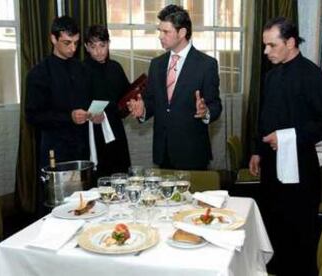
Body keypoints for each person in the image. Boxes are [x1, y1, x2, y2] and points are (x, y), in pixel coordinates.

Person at [248, 17, 322, 276]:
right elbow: (265, 118)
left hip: (301, 169)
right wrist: (256, 150)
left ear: (291, 42)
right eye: (265, 46)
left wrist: (287, 137)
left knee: (298, 233)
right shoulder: (272, 76)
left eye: (272, 46)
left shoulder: (313, 76)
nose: (266, 52)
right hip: (272, 166)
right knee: (273, 223)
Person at [127, 4, 222, 170]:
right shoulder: (156, 64)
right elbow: (152, 101)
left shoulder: (206, 65)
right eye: (159, 31)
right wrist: (143, 111)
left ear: (182, 33)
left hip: (192, 153)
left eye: (166, 32)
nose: (160, 36)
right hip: (163, 152)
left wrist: (205, 111)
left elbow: (216, 105)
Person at [25, 16, 98, 213]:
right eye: (67, 43)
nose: (73, 49)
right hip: (55, 151)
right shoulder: (39, 73)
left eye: (76, 43)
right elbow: (33, 116)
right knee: (57, 209)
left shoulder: (82, 69)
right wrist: (69, 117)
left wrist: (94, 115)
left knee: (84, 206)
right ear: (53, 39)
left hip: (81, 149)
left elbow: (88, 104)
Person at [83, 25, 131, 177]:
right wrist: (89, 114)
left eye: (102, 45)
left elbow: (126, 96)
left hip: (115, 128)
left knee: (120, 172)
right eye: (93, 46)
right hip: (93, 129)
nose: (98, 51)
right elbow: (76, 103)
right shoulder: (81, 70)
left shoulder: (115, 68)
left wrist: (133, 101)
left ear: (108, 44)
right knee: (99, 177)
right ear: (86, 47)